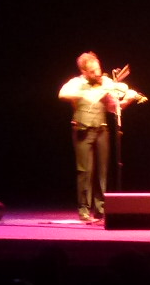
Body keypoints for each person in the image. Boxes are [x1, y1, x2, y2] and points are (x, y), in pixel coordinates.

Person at [58, 51, 141, 221]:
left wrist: (129, 99)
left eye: (98, 69)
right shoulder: (76, 83)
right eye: (93, 71)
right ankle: (84, 209)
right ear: (84, 72)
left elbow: (114, 108)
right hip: (82, 129)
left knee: (102, 172)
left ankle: (101, 208)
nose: (97, 73)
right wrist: (86, 93)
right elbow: (62, 93)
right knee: (84, 171)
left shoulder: (106, 82)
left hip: (101, 130)